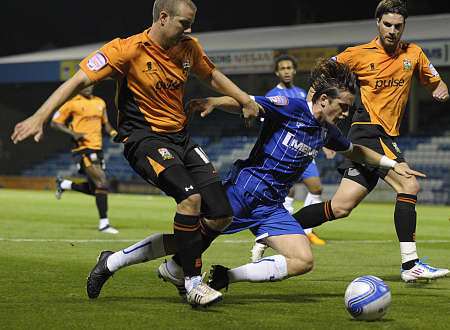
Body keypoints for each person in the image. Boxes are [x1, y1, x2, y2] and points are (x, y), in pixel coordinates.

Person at [67, 59, 424, 298]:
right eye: (343, 106)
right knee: (182, 243)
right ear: (324, 99)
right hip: (241, 193)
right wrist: (213, 102)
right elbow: (248, 102)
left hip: (270, 207)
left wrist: (392, 166)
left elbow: (355, 152)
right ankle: (112, 261)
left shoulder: (324, 131)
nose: (345, 113)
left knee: (303, 260)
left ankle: (225, 276)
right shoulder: (291, 106)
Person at [11, 0, 260, 307]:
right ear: (164, 18)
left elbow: (210, 75)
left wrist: (243, 99)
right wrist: (40, 116)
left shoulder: (189, 47)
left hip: (181, 138)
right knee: (191, 199)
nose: (190, 29)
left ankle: (124, 262)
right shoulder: (125, 50)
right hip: (144, 140)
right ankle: (192, 282)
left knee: (221, 213)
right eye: (184, 22)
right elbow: (77, 81)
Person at [292, 0, 449, 282]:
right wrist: (312, 103)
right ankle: (410, 264)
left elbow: (436, 82)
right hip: (368, 130)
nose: (392, 30)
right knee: (409, 184)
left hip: (386, 134)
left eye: (397, 26)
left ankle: (278, 228)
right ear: (378, 23)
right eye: (387, 24)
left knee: (340, 207)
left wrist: (440, 87)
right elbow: (323, 71)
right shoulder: (358, 54)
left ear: (404, 27)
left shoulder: (414, 53)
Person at [260, 53, 330, 249]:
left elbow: (315, 121)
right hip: (284, 150)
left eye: (289, 68)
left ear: (294, 70)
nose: (287, 71)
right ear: (277, 72)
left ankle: (307, 230)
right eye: (282, 68)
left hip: (305, 149)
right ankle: (286, 229)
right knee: (286, 190)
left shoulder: (302, 94)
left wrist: (325, 145)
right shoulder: (272, 95)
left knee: (316, 188)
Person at [50, 86, 119, 234]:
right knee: (102, 183)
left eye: (90, 84)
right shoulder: (72, 103)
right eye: (85, 85)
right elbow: (55, 122)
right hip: (82, 149)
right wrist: (72, 133)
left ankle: (65, 184)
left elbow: (105, 123)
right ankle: (104, 224)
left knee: (98, 189)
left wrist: (113, 132)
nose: (88, 87)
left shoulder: (100, 102)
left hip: (98, 149)